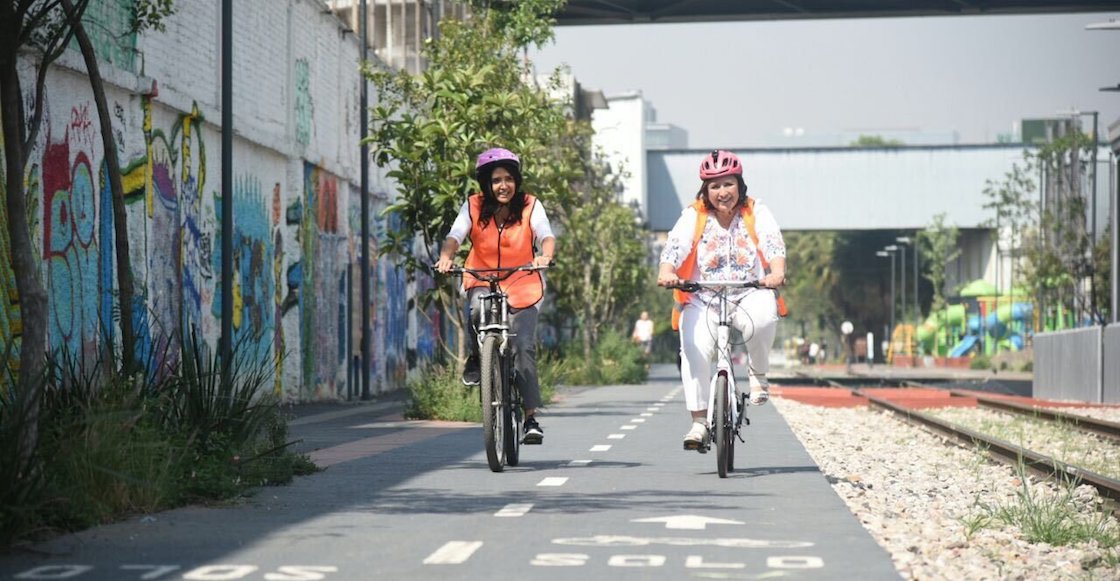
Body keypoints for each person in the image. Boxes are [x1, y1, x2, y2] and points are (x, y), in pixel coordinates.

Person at [656, 150, 787, 451]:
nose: (722, 192)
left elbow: (772, 241)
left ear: (739, 184)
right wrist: (667, 271)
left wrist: (777, 271)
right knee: (693, 349)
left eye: (728, 184)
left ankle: (758, 373)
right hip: (703, 297)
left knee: (764, 318)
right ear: (706, 190)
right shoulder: (695, 215)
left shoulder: (755, 211)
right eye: (714, 186)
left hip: (748, 292)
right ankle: (699, 422)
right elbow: (676, 245)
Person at [435, 147, 556, 445]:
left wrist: (545, 255)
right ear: (486, 184)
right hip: (481, 278)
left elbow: (545, 234)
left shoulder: (530, 205)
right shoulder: (473, 205)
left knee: (523, 346)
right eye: (497, 180)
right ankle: (479, 357)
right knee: (477, 310)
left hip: (522, 282)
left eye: (509, 179)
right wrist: (446, 257)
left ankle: (530, 418)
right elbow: (455, 235)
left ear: (517, 181)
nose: (504, 185)